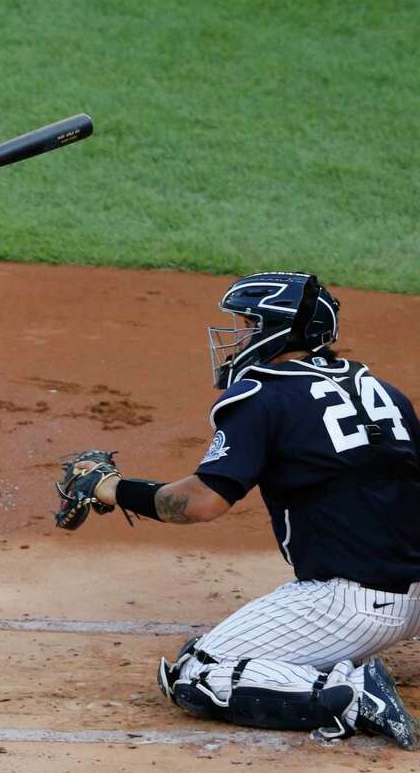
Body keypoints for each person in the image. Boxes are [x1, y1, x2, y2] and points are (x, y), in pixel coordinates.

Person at [56, 271, 420, 748]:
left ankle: (351, 693)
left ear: (277, 330)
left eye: (249, 324)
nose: (240, 336)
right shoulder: (384, 392)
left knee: (198, 672)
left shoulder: (263, 396)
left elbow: (198, 503)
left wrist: (110, 488)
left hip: (352, 606)